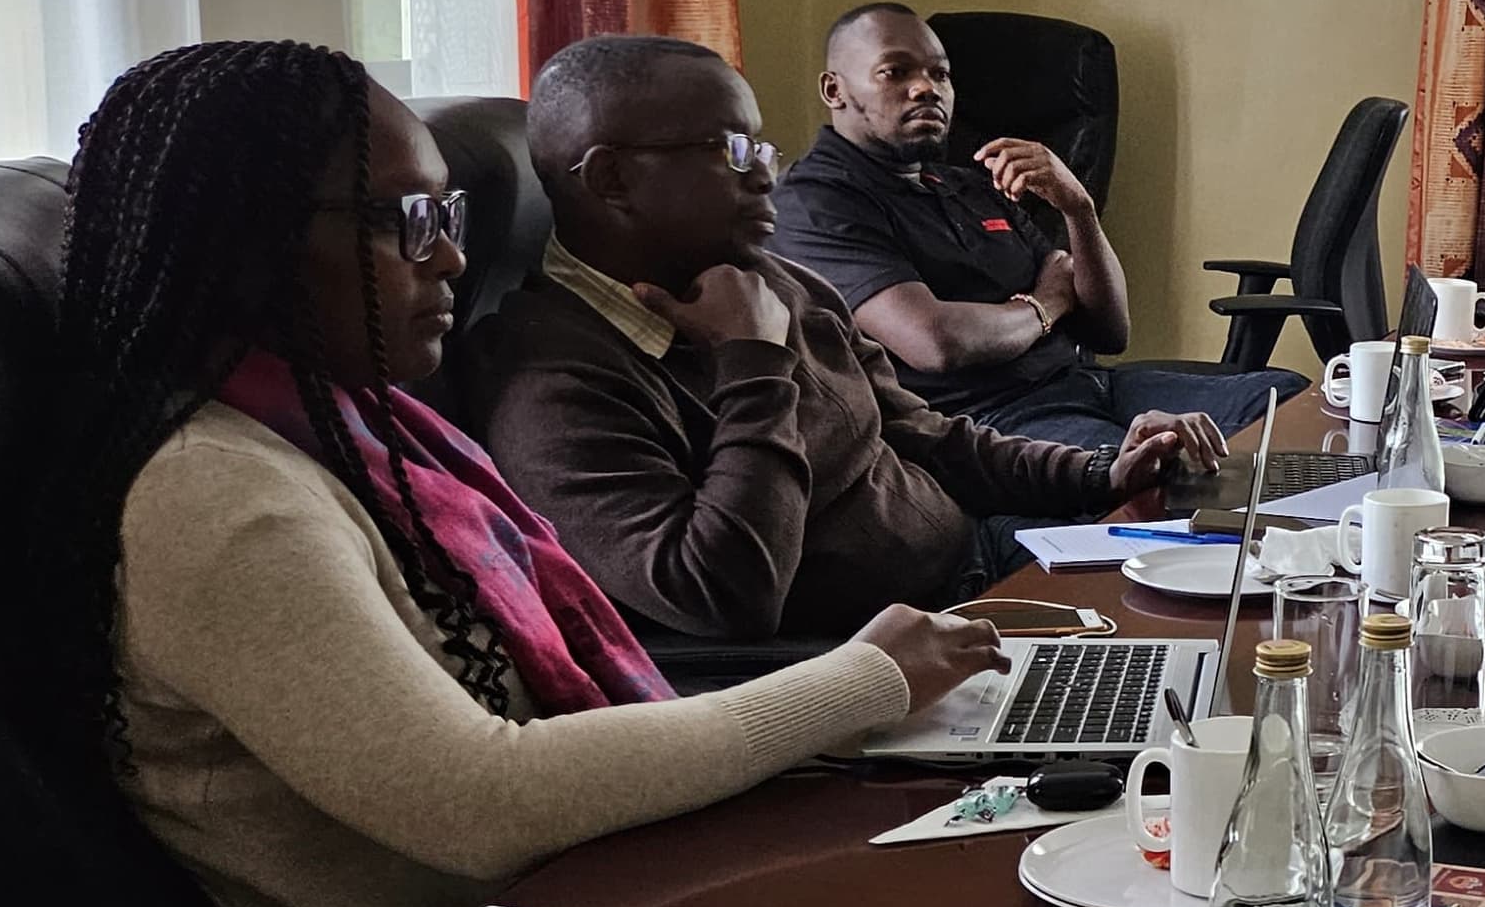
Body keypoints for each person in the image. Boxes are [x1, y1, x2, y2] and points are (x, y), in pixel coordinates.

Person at [27, 40, 1001, 907]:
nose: (450, 256)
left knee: (1001, 849)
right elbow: (479, 802)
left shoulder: (359, 430)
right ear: (247, 243)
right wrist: (861, 680)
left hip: (559, 892)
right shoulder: (221, 495)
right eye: (410, 223)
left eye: (448, 219)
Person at [463, 34, 1212, 646]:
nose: (764, 175)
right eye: (730, 150)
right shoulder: (554, 384)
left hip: (977, 565)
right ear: (612, 179)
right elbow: (722, 595)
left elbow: (925, 436)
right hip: (881, 660)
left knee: (1226, 568)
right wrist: (752, 364)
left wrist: (1100, 475)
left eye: (761, 147)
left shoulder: (777, 282)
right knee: (1195, 667)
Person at [770, 2, 1297, 452]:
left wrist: (1078, 209)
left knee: (1287, 405)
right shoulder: (815, 201)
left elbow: (1110, 330)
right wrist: (1044, 306)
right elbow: (936, 341)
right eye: (895, 72)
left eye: (940, 74)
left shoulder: (965, 182)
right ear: (834, 89)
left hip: (1085, 384)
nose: (925, 89)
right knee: (1164, 473)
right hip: (994, 424)